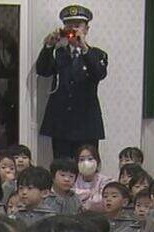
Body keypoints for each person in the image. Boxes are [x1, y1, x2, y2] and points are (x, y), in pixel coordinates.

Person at [36, 5, 108, 159]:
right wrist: (48, 46)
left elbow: (99, 73)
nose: (73, 30)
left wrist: (83, 47)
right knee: (62, 168)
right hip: (61, 124)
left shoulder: (97, 54)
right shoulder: (58, 53)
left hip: (87, 124)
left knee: (87, 167)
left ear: (86, 29)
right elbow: (43, 71)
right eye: (69, 26)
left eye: (77, 26)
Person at [72, 143, 111, 211]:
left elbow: (101, 201)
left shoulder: (106, 181)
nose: (86, 163)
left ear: (97, 161)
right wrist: (90, 193)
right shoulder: (73, 179)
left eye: (90, 159)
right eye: (81, 159)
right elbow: (70, 197)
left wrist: (82, 196)